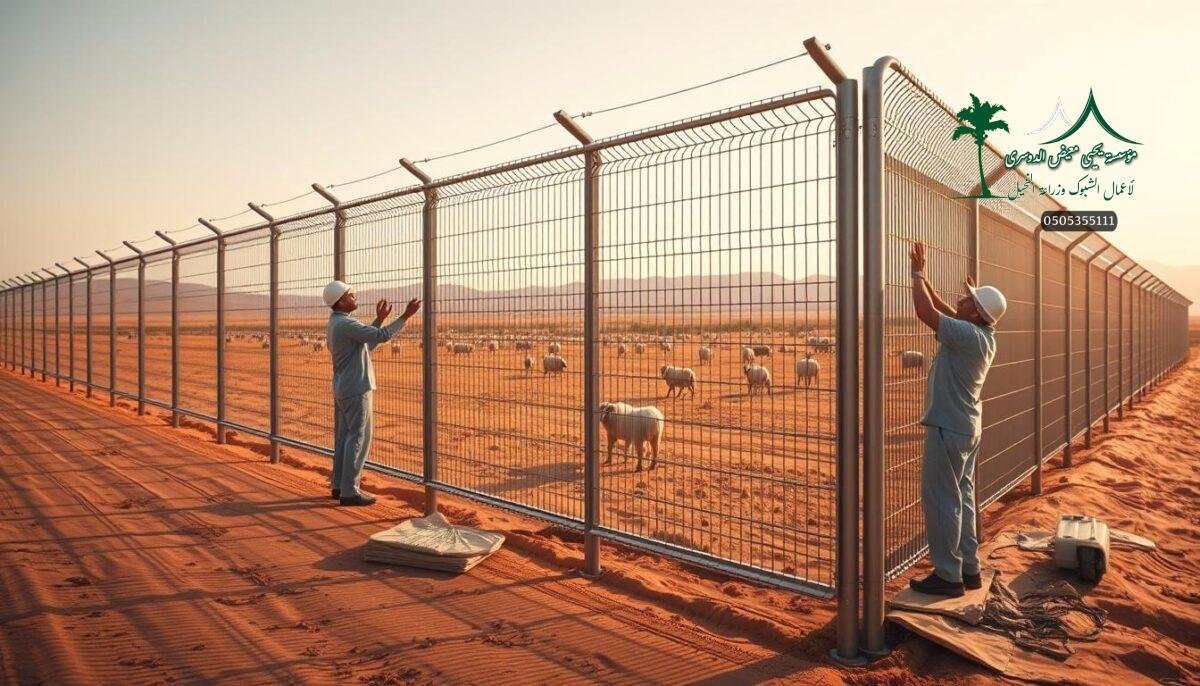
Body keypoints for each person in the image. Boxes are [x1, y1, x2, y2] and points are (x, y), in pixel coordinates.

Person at [907, 241, 1007, 597]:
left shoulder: (967, 335)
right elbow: (946, 309)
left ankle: (948, 575)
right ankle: (969, 568)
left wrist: (917, 275)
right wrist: (929, 279)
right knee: (962, 498)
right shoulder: (980, 335)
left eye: (969, 300)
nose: (962, 300)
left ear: (977, 314)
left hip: (948, 427)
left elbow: (926, 311)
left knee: (941, 498)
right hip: (965, 427)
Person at [322, 280, 420, 506]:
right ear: (341, 300)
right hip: (356, 388)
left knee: (345, 437)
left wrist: (379, 319)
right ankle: (350, 491)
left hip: (344, 387)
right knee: (358, 437)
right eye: (351, 295)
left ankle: (339, 486)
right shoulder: (346, 325)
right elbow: (383, 335)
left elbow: (365, 345)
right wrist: (406, 316)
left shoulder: (336, 323)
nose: (354, 297)